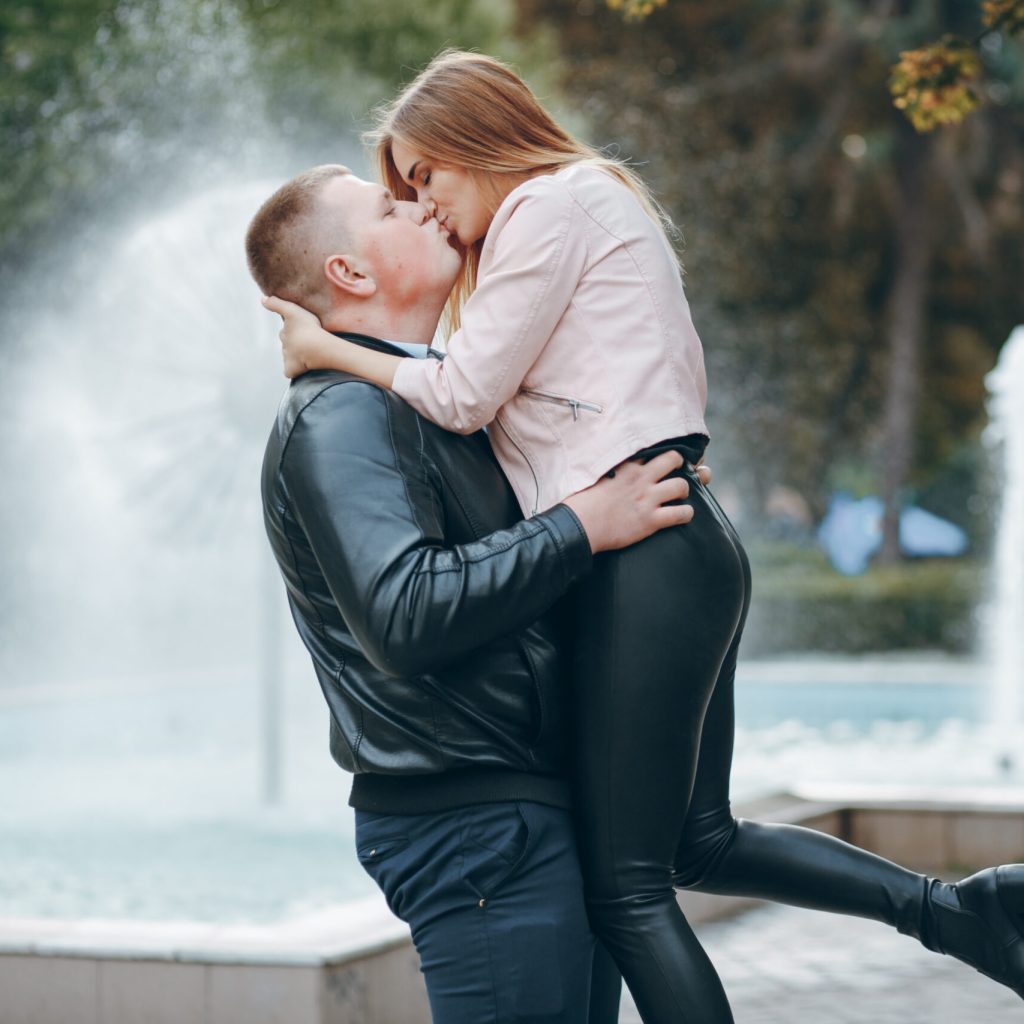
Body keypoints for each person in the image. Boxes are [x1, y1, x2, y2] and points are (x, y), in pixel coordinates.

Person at [263, 51, 1024, 1023]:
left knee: (628, 891)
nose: (424, 205)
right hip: (671, 543)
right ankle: (957, 910)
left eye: (427, 179)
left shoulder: (546, 209)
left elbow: (458, 395)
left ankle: (954, 910)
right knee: (696, 841)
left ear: (478, 140)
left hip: (645, 552)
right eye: (400, 197)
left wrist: (324, 348)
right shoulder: (562, 223)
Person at [248, 163, 715, 1024]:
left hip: (522, 808)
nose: (425, 206)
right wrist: (583, 522)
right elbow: (405, 612)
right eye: (392, 206)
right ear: (348, 273)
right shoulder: (340, 415)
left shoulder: (428, 401)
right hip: (470, 825)